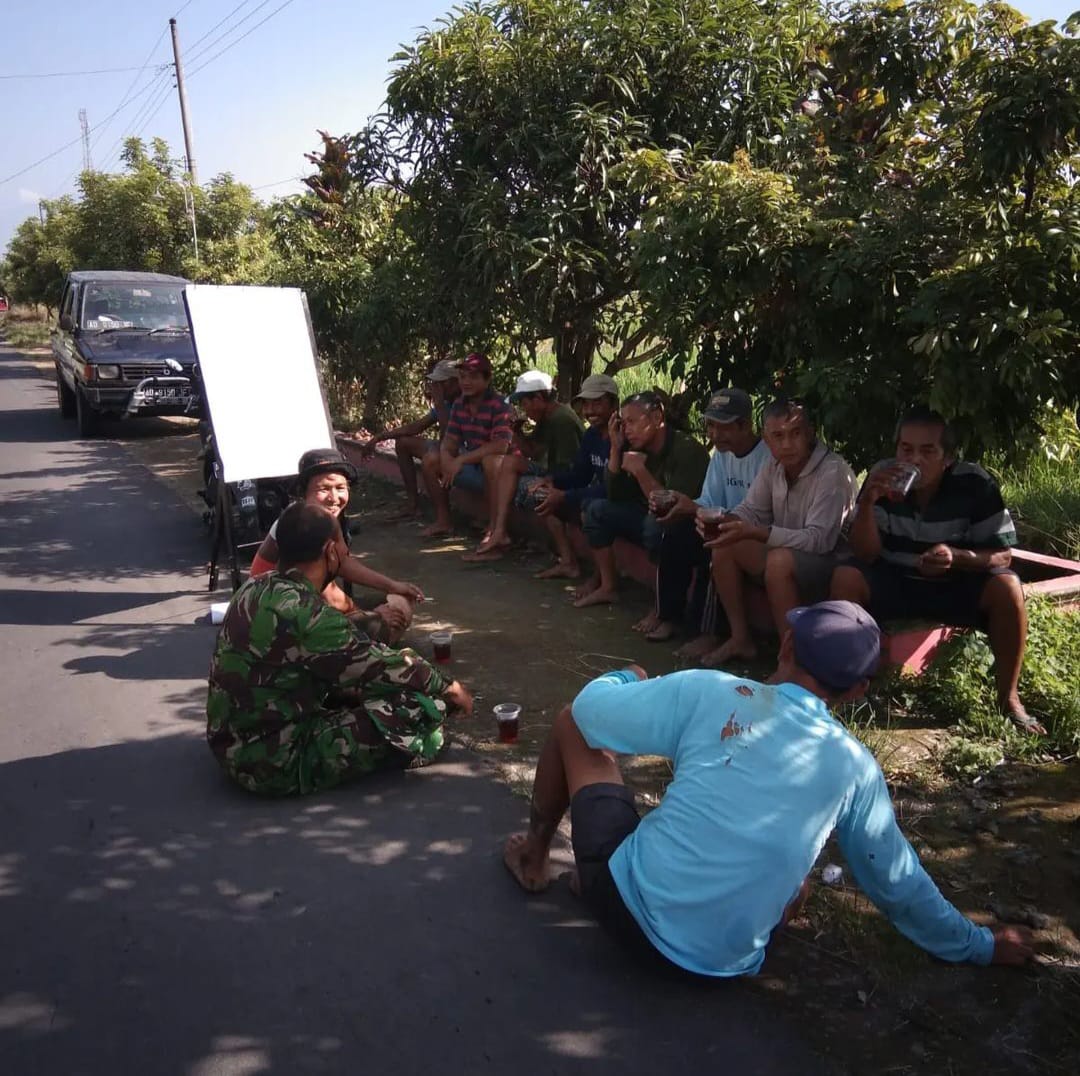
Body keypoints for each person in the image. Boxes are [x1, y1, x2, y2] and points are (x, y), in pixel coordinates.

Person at [502, 600, 1035, 979]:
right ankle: (615, 886)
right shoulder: (855, 767)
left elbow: (593, 714)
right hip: (722, 965)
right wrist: (982, 946)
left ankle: (534, 855)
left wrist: (625, 677)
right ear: (856, 690)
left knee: (572, 719)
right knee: (796, 885)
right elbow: (898, 883)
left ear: (785, 644)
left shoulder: (713, 691)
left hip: (622, 908)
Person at [208, 503, 474, 796]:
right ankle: (404, 750)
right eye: (343, 548)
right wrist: (450, 687)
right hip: (274, 764)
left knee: (358, 688)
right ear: (330, 551)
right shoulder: (306, 612)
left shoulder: (253, 589)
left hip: (229, 745)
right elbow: (384, 666)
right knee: (420, 705)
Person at [831, 407, 1043, 735]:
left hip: (954, 584)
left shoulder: (974, 483)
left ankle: (1009, 699)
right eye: (906, 449)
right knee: (846, 576)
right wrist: (869, 503)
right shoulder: (883, 477)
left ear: (947, 457)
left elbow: (1002, 555)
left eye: (928, 451)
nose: (914, 459)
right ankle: (851, 689)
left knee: (1008, 587)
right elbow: (866, 553)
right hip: (897, 581)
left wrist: (956, 557)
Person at [701, 398, 858, 664]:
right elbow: (751, 509)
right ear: (766, 439)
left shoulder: (833, 473)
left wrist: (759, 532)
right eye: (778, 436)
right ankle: (741, 639)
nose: (787, 444)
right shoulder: (774, 466)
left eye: (795, 434)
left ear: (810, 433)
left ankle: (791, 660)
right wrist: (726, 522)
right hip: (790, 554)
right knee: (725, 542)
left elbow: (819, 541)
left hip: (831, 565)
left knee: (778, 560)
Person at [637, 387, 771, 645]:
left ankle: (710, 633)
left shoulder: (767, 458)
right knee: (675, 534)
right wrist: (684, 504)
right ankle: (669, 615)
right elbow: (709, 501)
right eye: (710, 426)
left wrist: (696, 509)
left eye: (723, 427)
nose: (714, 434)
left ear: (745, 426)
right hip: (722, 523)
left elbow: (761, 517)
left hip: (751, 535)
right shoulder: (721, 455)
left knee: (718, 547)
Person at [250, 448, 424, 644]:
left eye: (340, 488)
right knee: (393, 613)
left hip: (299, 605)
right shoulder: (302, 526)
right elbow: (328, 593)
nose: (334, 498)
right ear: (303, 493)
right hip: (285, 617)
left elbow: (342, 563)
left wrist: (392, 585)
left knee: (396, 599)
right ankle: (365, 660)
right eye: (323, 489)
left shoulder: (321, 517)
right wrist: (369, 618)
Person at [574, 391, 709, 609]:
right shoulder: (631, 446)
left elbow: (671, 509)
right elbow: (615, 495)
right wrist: (616, 449)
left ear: (657, 418)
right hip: (644, 515)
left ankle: (663, 608)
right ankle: (608, 587)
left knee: (655, 527)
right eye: (623, 423)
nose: (626, 430)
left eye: (632, 422)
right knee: (595, 510)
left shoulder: (687, 450)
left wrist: (640, 471)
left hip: (680, 526)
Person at [463, 369, 585, 562]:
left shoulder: (561, 420)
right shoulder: (547, 417)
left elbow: (569, 467)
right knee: (508, 463)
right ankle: (499, 530)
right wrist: (517, 432)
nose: (524, 408)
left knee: (531, 493)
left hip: (569, 480)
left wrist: (547, 480)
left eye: (524, 403)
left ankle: (567, 560)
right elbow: (533, 452)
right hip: (555, 472)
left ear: (538, 398)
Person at [532, 374, 620, 580]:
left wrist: (565, 496)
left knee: (590, 509)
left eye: (597, 403)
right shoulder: (592, 435)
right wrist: (554, 481)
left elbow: (612, 489)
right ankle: (568, 562)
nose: (590, 411)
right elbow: (581, 474)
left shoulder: (624, 435)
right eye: (586, 404)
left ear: (614, 404)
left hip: (622, 500)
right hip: (601, 495)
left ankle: (602, 581)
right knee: (546, 499)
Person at [420, 353, 515, 539]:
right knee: (432, 459)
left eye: (473, 377)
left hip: (499, 471)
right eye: (463, 377)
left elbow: (501, 446)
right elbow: (450, 439)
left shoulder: (501, 405)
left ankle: (495, 530)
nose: (466, 382)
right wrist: (447, 457)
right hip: (473, 465)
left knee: (491, 461)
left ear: (487, 379)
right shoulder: (459, 404)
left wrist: (461, 460)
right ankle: (443, 521)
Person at [357, 359, 462, 518]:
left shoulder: (463, 403)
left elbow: (450, 438)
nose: (437, 387)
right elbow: (415, 427)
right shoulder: (446, 403)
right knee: (403, 443)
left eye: (442, 383)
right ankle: (412, 504)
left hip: (461, 452)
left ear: (455, 382)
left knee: (430, 459)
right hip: (444, 448)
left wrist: (439, 403)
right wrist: (378, 438)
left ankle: (443, 518)